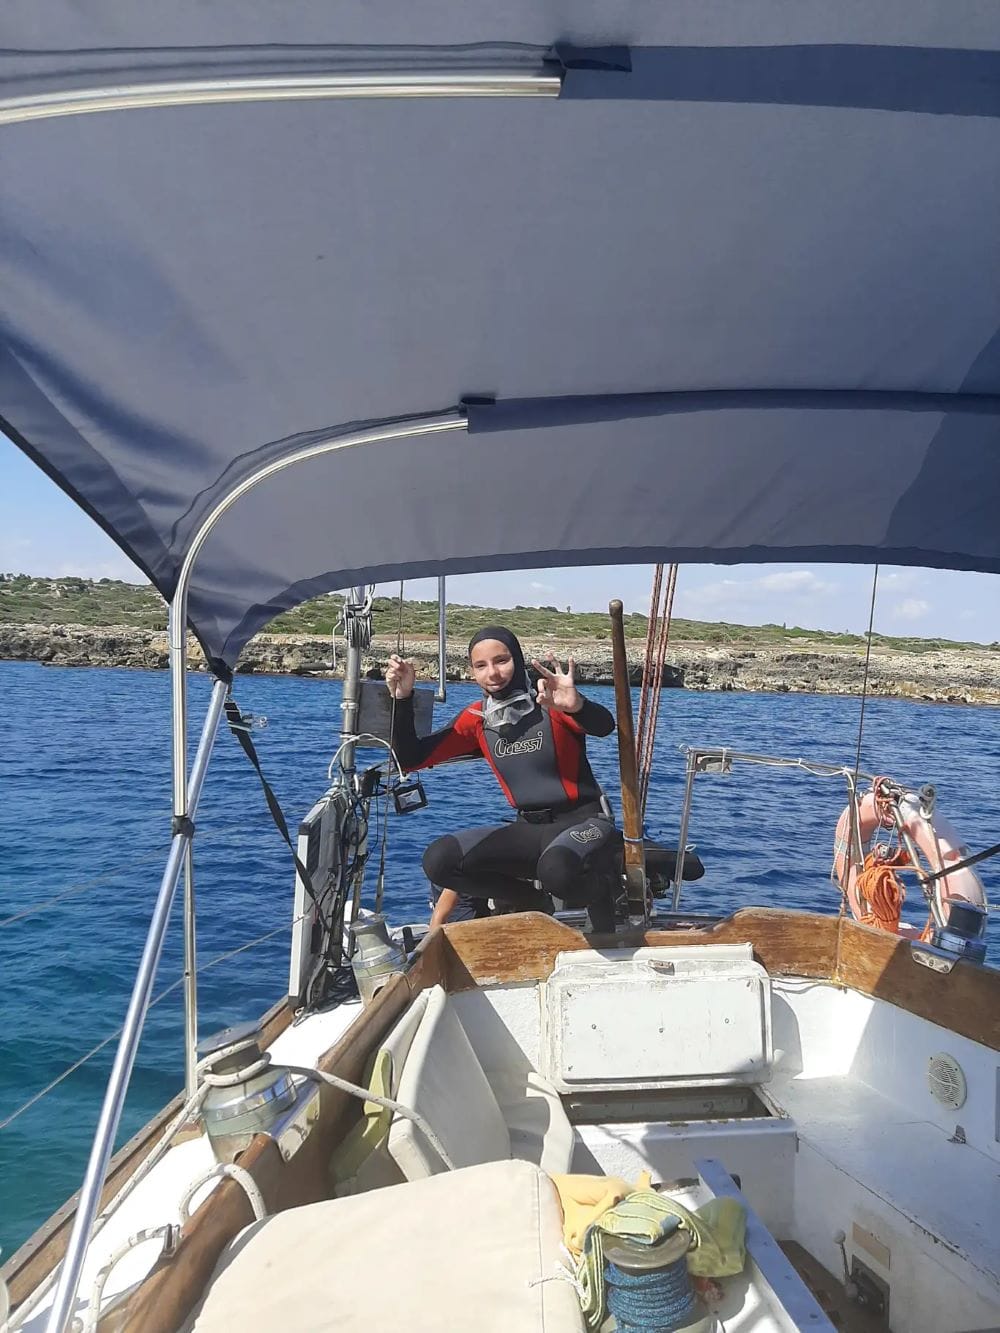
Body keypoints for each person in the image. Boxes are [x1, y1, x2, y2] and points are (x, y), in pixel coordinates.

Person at [385, 626, 621, 932]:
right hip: (529, 829)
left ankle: (604, 892)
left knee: (556, 872)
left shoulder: (550, 701)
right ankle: (532, 901)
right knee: (438, 861)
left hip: (585, 822)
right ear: (472, 672)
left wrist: (577, 706)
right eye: (481, 666)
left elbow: (605, 726)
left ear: (518, 659)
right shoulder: (477, 719)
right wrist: (402, 698)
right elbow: (410, 759)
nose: (493, 673)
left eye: (502, 660)